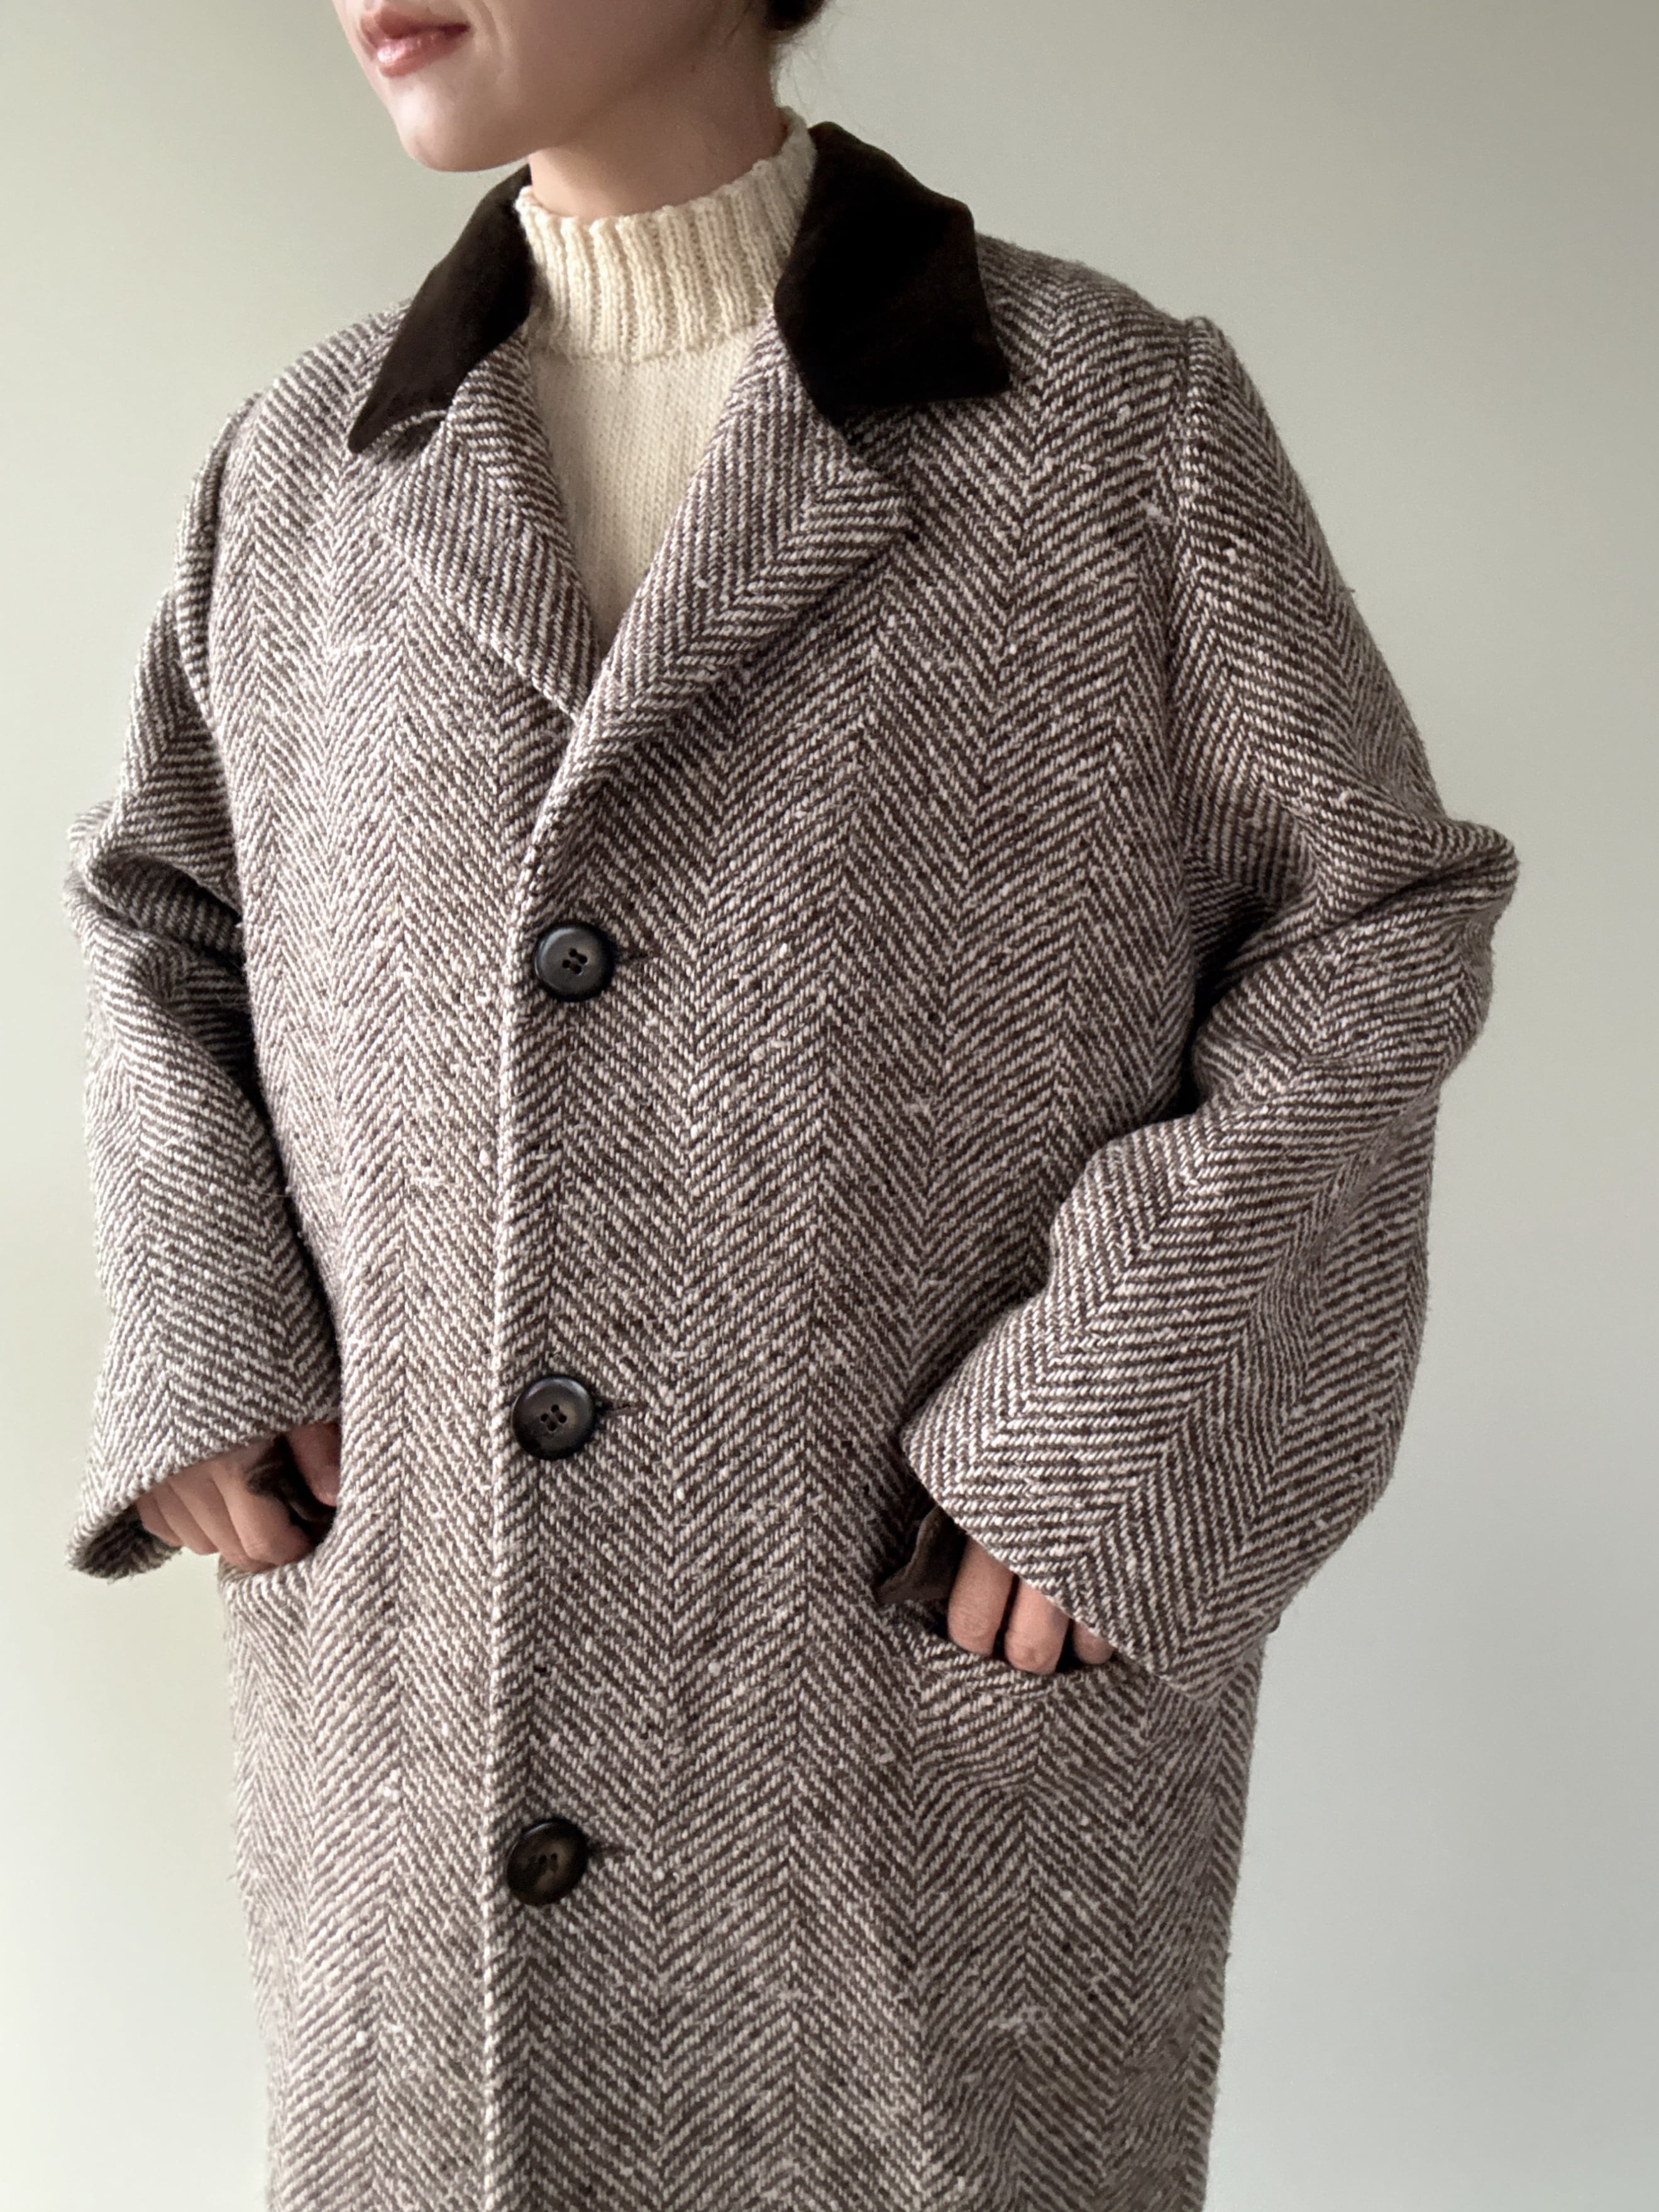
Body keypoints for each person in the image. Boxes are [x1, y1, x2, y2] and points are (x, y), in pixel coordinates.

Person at [64, 1, 1518, 2206]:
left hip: (888, 1746)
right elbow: (164, 917)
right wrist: (207, 1334)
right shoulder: (305, 470)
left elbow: (1377, 921)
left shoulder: (1111, 425)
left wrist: (1110, 1434)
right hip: (423, 1716)